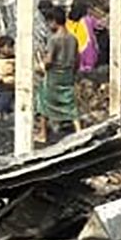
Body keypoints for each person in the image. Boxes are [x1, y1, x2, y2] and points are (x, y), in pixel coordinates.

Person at [37, 8, 81, 142]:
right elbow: (77, 59)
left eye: (49, 23)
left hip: (54, 75)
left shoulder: (54, 40)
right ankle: (79, 130)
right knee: (70, 102)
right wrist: (73, 73)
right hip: (68, 74)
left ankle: (43, 133)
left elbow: (49, 60)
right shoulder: (73, 39)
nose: (49, 26)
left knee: (43, 102)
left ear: (54, 22)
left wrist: (41, 63)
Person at [0, 36, 15, 119]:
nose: (9, 49)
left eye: (11, 47)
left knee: (5, 100)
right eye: (7, 47)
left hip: (9, 83)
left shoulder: (13, 59)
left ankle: (4, 114)